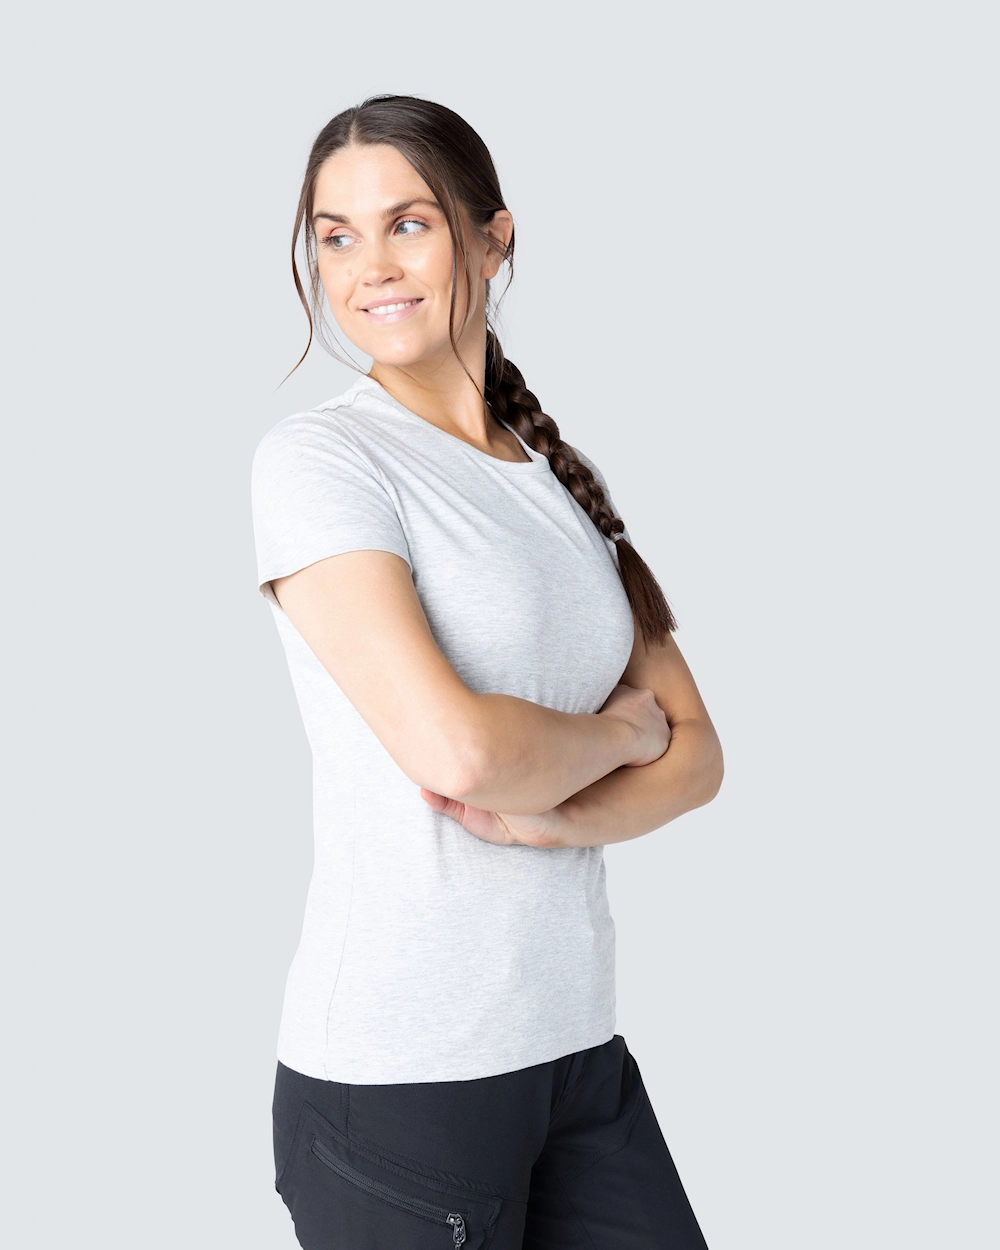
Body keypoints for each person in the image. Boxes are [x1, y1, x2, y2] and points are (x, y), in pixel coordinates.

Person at [251, 93, 724, 1250]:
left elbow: (702, 754)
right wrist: (620, 737)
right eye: (335, 235)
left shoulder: (554, 471)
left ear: (492, 238)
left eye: (407, 224)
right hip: (405, 1077)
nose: (369, 266)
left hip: (577, 1051)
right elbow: (457, 751)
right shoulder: (322, 461)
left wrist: (559, 815)